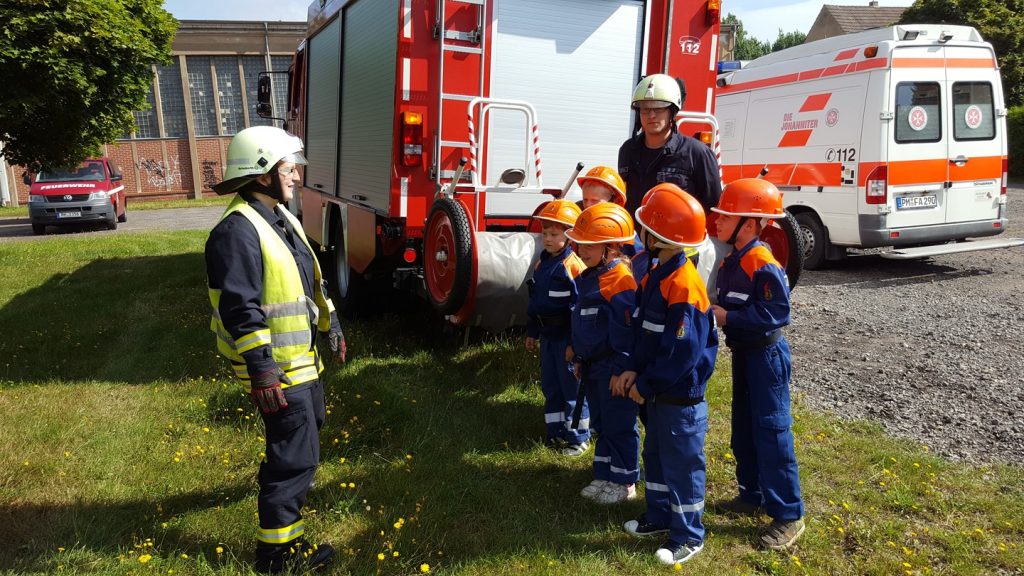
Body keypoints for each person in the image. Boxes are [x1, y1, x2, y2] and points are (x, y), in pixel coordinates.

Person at [205, 125, 345, 574]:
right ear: (263, 173)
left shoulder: (277, 217)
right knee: (294, 458)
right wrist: (262, 369)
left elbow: (305, 281)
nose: (297, 177)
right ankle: (278, 556)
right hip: (279, 370)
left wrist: (332, 324)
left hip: (301, 361)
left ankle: (280, 536)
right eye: (289, 169)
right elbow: (240, 309)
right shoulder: (237, 232)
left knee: (299, 444)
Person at [616, 183, 718, 566]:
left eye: (643, 227)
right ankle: (660, 516)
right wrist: (633, 369)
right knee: (655, 455)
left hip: (678, 397)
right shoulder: (656, 273)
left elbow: (682, 353)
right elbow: (646, 335)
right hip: (657, 392)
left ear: (658, 238)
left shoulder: (684, 286)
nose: (639, 234)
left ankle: (689, 535)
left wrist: (645, 383)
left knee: (681, 464)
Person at [709, 178, 805, 551]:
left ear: (748, 223)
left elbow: (777, 313)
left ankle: (788, 515)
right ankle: (752, 494)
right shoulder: (735, 259)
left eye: (725, 215)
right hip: (745, 355)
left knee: (772, 431)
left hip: (766, 357)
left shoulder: (761, 263)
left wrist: (727, 318)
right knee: (744, 428)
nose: (716, 220)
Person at [617, 73, 727, 296]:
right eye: (645, 109)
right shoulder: (627, 151)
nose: (651, 114)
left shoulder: (696, 153)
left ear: (672, 111)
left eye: (659, 108)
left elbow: (713, 201)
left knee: (676, 311)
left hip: (679, 254)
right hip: (638, 251)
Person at [565, 203, 639, 504]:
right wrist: (581, 358)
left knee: (618, 424)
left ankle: (624, 482)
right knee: (601, 422)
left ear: (611, 247)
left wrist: (621, 369)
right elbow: (586, 326)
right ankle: (605, 473)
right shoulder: (589, 277)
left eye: (591, 245)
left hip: (612, 368)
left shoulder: (619, 281)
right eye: (580, 243)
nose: (582, 250)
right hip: (593, 366)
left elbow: (627, 332)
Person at [525, 199, 589, 456]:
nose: (548, 239)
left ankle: (578, 438)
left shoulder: (573, 266)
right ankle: (555, 433)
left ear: (570, 235)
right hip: (548, 339)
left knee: (571, 388)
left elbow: (579, 308)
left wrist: (575, 344)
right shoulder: (542, 265)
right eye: (544, 233)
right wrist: (532, 332)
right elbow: (535, 302)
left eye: (554, 234)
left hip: (566, 340)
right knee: (551, 386)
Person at [576, 165, 643, 256]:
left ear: (614, 201)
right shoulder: (580, 227)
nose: (588, 205)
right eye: (585, 200)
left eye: (595, 201)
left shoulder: (625, 235)